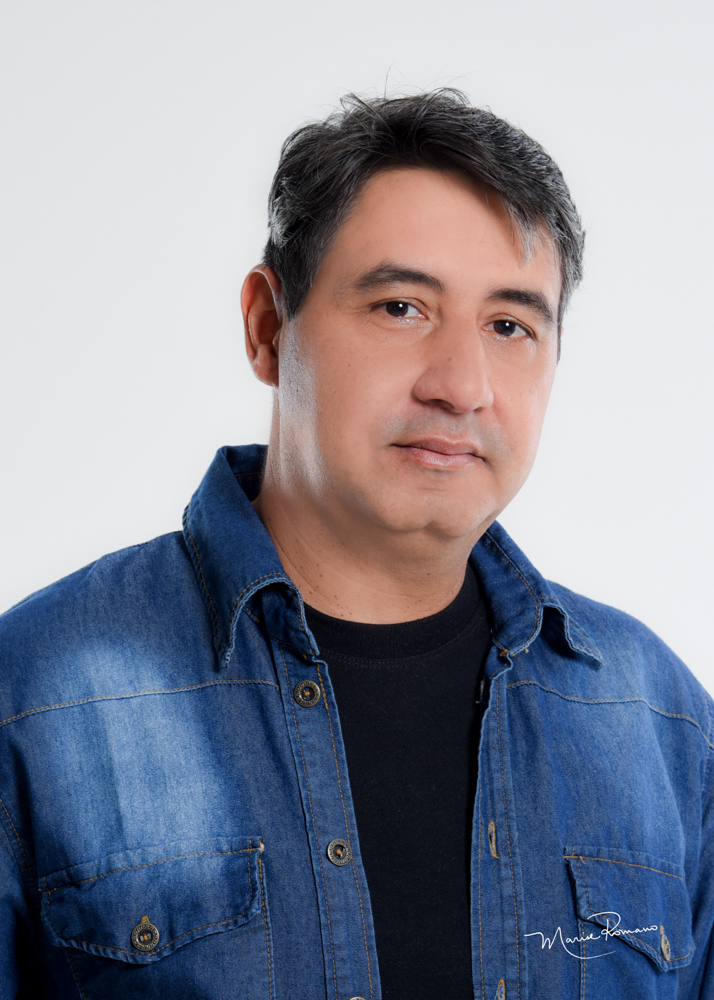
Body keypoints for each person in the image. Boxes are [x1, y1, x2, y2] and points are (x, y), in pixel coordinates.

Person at [0, 90, 711, 1000]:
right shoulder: (39, 694)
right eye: (401, 307)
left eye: (510, 326)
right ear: (267, 326)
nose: (463, 386)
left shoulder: (659, 721)